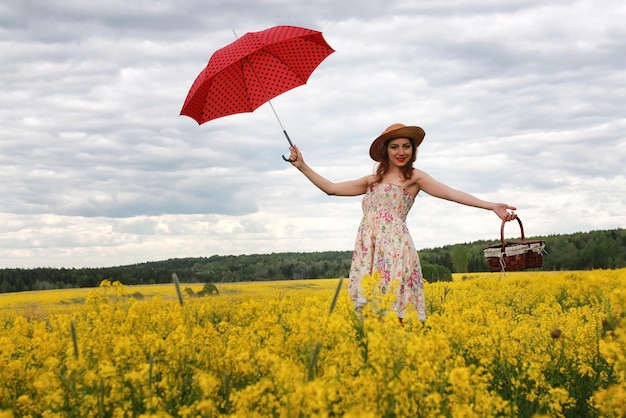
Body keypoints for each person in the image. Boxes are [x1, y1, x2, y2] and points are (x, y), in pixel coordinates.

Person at [288, 123, 517, 322]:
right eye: (394, 146)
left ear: (413, 150)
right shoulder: (372, 181)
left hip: (395, 249)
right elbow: (332, 189)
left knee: (395, 308)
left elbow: (449, 193)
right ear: (385, 150)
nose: (401, 152)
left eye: (406, 146)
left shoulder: (414, 178)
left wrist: (491, 206)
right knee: (372, 312)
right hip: (369, 250)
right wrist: (302, 166)